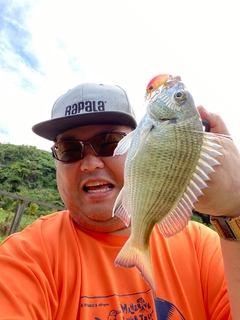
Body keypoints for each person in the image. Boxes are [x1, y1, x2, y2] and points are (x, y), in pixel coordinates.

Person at [0, 82, 240, 320]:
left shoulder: (207, 249)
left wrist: (234, 210)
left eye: (109, 142)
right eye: (69, 149)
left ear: (141, 142)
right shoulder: (26, 257)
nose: (90, 163)